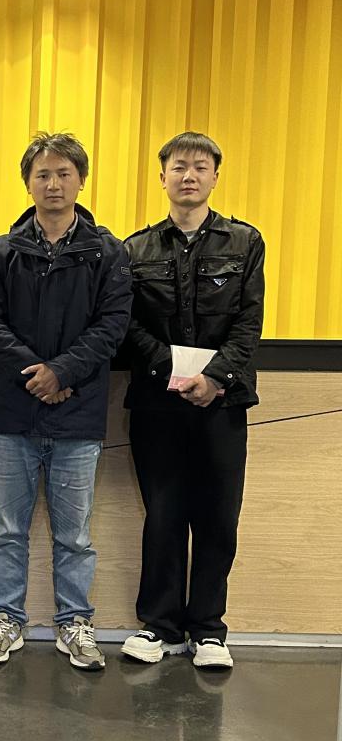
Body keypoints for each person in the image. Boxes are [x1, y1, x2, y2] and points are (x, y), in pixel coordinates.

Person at [0, 132, 132, 671]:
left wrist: (60, 372)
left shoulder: (107, 252)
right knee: (6, 532)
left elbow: (113, 325)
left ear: (81, 180)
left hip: (78, 414)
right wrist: (37, 375)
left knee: (75, 536)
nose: (54, 184)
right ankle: (5, 621)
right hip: (11, 415)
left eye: (64, 173)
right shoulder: (2, 251)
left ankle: (75, 624)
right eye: (43, 174)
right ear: (28, 183)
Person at [120, 132, 264, 670]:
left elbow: (249, 321)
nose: (189, 175)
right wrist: (174, 371)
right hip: (158, 402)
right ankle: (159, 626)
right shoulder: (134, 249)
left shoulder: (244, 242)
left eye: (200, 167)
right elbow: (126, 324)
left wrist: (214, 377)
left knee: (217, 517)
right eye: (179, 166)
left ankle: (208, 630)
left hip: (223, 403)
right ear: (162, 177)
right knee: (162, 514)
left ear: (215, 177)